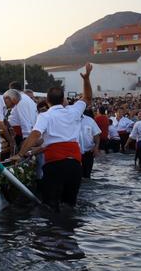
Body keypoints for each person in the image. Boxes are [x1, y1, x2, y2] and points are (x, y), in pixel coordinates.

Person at [16, 63, 93, 209]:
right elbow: (88, 97)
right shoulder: (74, 111)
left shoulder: (45, 115)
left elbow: (35, 134)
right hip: (75, 164)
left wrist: (20, 154)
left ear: (47, 101)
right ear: (63, 99)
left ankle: (53, 230)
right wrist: (86, 79)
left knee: (51, 206)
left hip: (55, 164)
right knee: (69, 205)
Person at [78, 109, 101, 180]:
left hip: (89, 152)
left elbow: (96, 135)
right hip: (75, 153)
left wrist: (96, 147)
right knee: (77, 176)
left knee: (87, 176)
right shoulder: (68, 120)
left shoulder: (90, 120)